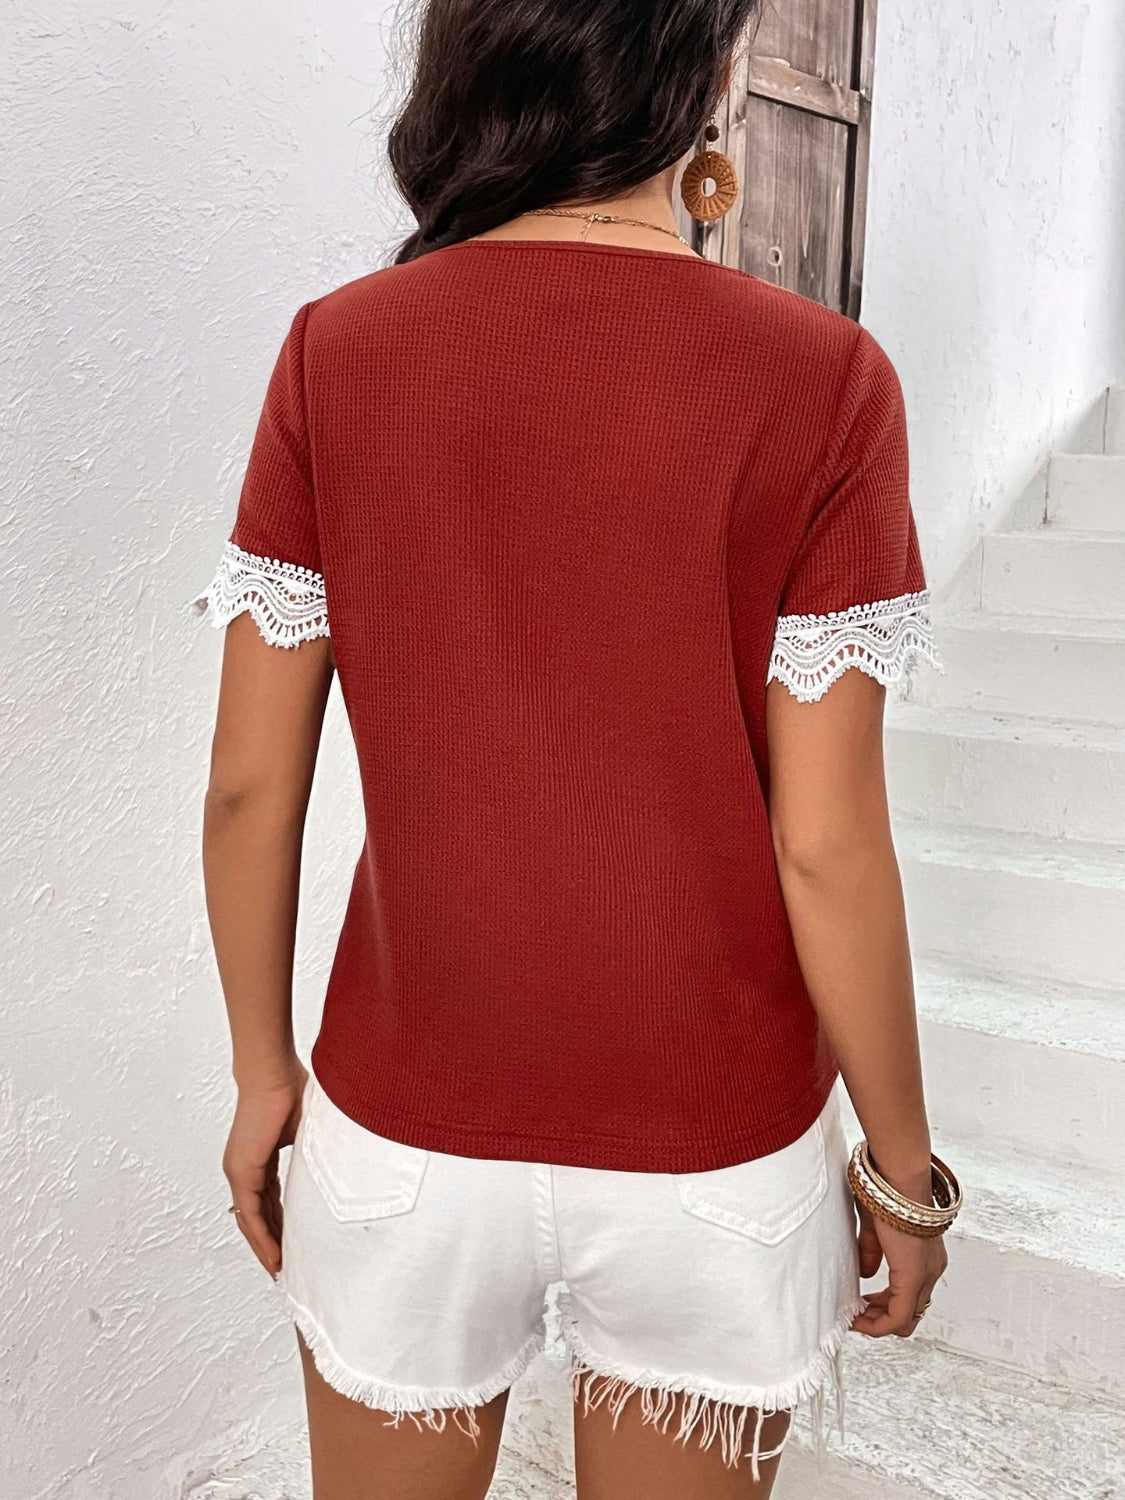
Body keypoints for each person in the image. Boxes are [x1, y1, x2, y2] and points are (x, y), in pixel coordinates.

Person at [198, 2, 958, 1495]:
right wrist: (899, 1164)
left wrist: (260, 1068)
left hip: (405, 1127)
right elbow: (825, 843)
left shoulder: (337, 353)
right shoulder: (825, 380)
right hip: (714, 1147)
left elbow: (246, 784)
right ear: (706, 80)